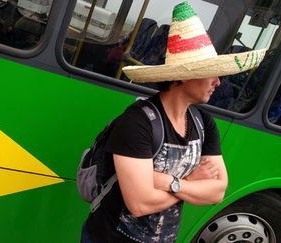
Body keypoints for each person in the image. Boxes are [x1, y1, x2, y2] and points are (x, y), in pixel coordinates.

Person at [81, 2, 267, 243]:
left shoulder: (203, 123)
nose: (218, 82)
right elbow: (139, 203)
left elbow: (218, 191)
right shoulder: (137, 122)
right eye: (211, 72)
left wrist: (169, 182)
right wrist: (190, 183)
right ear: (183, 76)